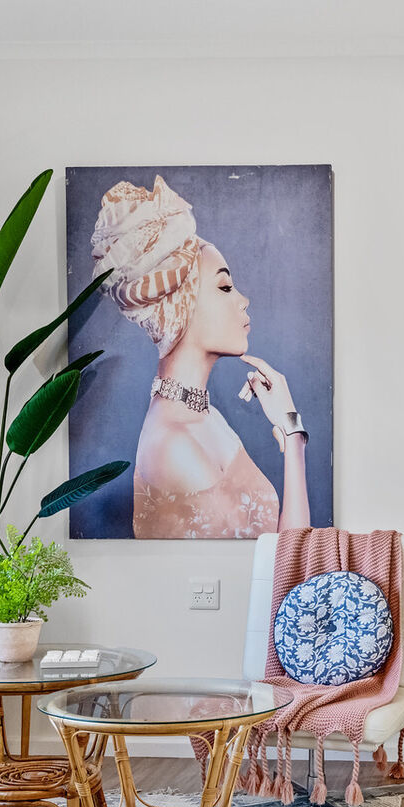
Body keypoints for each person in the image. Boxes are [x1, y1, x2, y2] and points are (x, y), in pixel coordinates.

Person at [90, 176, 310, 539]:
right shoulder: (173, 442)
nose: (242, 299)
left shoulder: (206, 418)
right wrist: (292, 435)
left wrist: (292, 431)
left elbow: (290, 561)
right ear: (181, 306)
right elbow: (289, 561)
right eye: (224, 287)